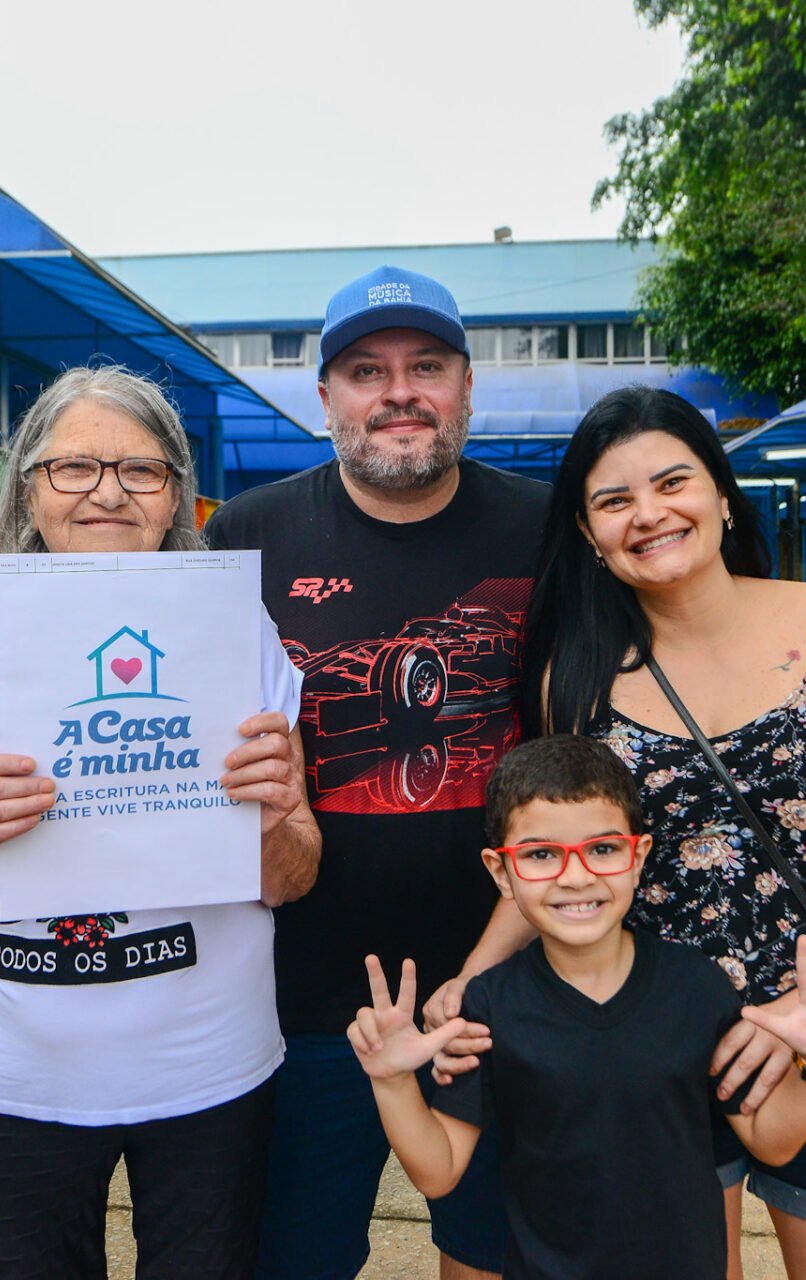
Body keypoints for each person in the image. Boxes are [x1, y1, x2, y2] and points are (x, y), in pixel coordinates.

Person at [503, 386, 806, 1280]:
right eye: (614, 500)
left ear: (722, 494)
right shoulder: (577, 677)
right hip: (653, 1052)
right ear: (589, 534)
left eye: (671, 482)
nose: (649, 514)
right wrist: (467, 983)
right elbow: (556, 863)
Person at [0, 365, 321, 1280]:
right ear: (28, 491)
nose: (107, 492)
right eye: (73, 467)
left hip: (207, 1072)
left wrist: (274, 818)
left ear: (177, 498)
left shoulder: (236, 631)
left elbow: (294, 875)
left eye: (141, 470)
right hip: (14, 1081)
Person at [202, 264, 549, 1280]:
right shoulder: (244, 535)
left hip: (508, 987)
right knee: (292, 1259)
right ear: (327, 398)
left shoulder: (546, 529)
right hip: (301, 997)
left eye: (426, 366)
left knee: (496, 1256)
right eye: (367, 371)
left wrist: (493, 971)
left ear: (467, 385)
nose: (399, 392)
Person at [348, 734, 806, 1280]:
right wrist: (392, 1081)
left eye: (602, 849)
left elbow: (772, 1140)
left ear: (637, 856)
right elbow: (439, 1171)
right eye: (541, 855)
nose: (576, 877)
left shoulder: (695, 987)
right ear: (501, 871)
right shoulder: (489, 1007)